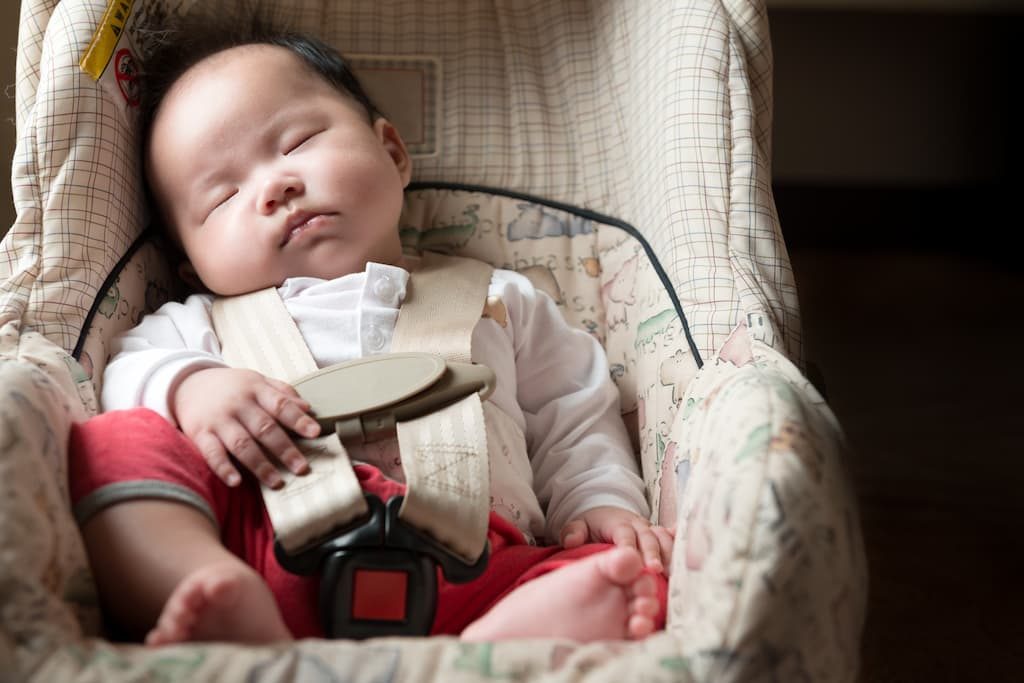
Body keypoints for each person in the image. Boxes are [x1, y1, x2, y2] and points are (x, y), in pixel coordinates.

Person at [69, 14, 674, 647]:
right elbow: (127, 376)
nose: (274, 187)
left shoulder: (503, 298)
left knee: (633, 574)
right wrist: (192, 390)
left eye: (297, 142)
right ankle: (204, 582)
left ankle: (495, 641)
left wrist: (599, 504)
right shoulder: (200, 326)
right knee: (111, 443)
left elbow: (572, 415)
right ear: (193, 264)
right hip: (268, 554)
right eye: (221, 197)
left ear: (392, 153)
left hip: (483, 564)